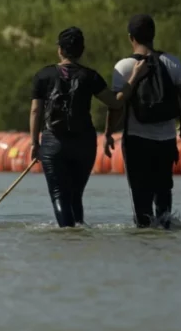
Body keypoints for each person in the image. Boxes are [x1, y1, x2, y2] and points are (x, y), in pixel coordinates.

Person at [30, 27, 145, 228]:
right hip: (84, 144)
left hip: (53, 143)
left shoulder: (43, 76)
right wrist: (134, 76)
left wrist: (34, 143)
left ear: (60, 50)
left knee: (59, 195)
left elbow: (35, 112)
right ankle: (78, 234)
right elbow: (116, 102)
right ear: (81, 50)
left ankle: (67, 235)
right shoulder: (90, 76)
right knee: (75, 195)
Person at [104, 14, 181, 229]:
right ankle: (165, 237)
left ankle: (145, 243)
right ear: (153, 35)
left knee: (140, 198)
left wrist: (108, 133)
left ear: (131, 38)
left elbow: (117, 105)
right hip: (165, 139)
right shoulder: (172, 63)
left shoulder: (125, 66)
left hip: (136, 140)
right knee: (163, 194)